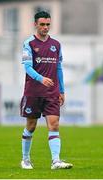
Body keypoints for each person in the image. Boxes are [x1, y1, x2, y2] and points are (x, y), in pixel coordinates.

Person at [20, 11, 73, 170]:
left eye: (48, 24)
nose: (45, 27)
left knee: (54, 124)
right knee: (31, 126)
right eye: (42, 24)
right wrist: (41, 79)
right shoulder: (28, 43)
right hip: (33, 92)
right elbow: (27, 67)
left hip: (52, 93)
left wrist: (61, 90)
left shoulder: (56, 44)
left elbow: (58, 68)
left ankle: (55, 161)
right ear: (35, 24)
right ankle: (25, 159)